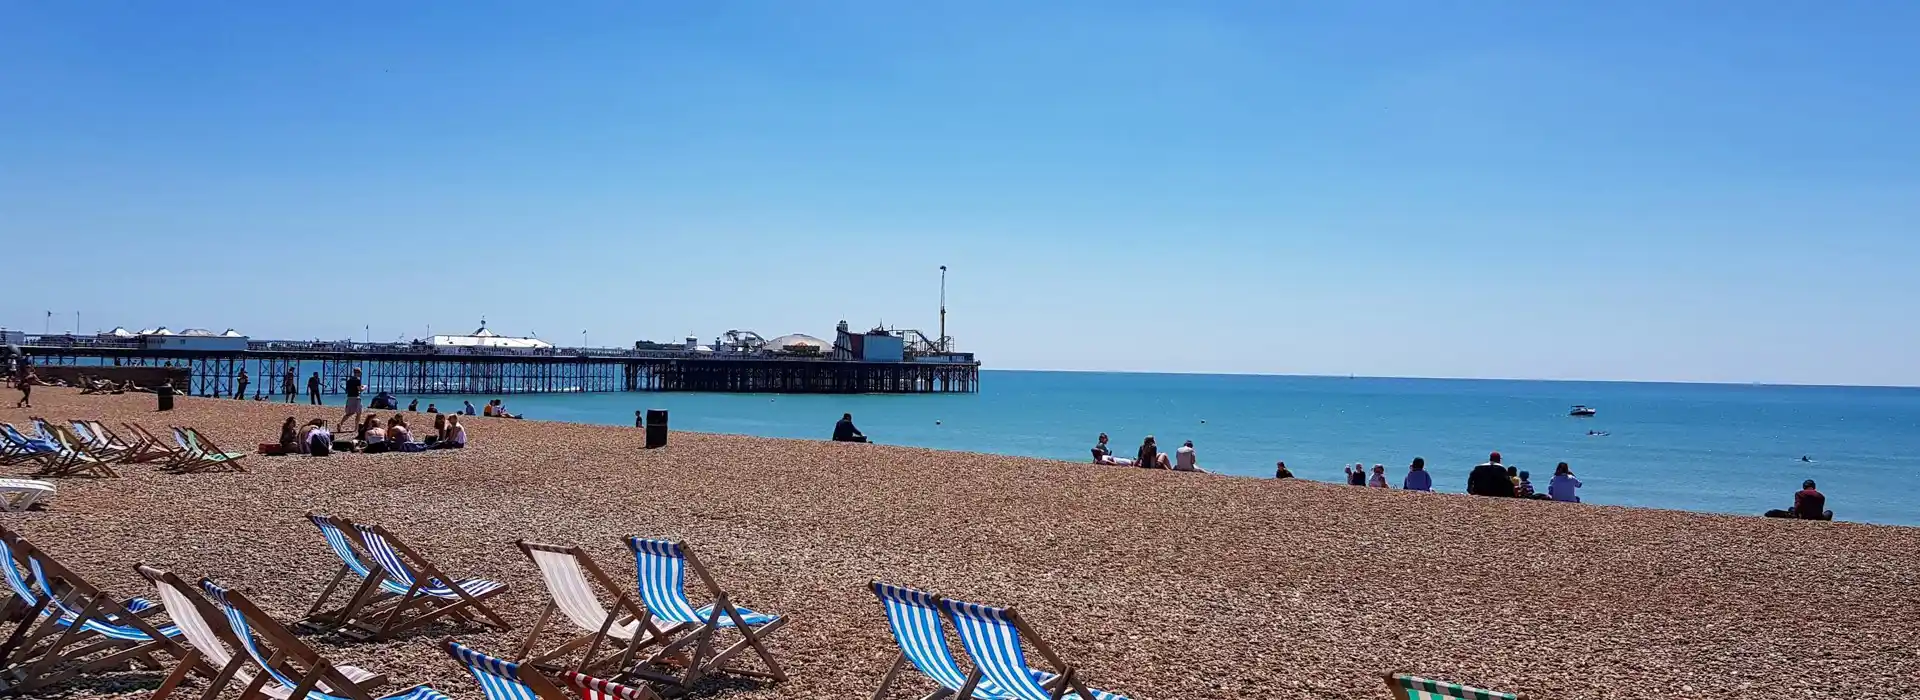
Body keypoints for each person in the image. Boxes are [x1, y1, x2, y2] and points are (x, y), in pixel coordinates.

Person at [1767, 480, 1833, 520]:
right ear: (1814, 487)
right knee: (1829, 512)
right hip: (1817, 517)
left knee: (1790, 509)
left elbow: (1798, 506)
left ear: (1804, 487)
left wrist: (1796, 514)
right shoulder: (1821, 495)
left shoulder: (1800, 493)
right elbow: (1819, 509)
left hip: (1803, 516)